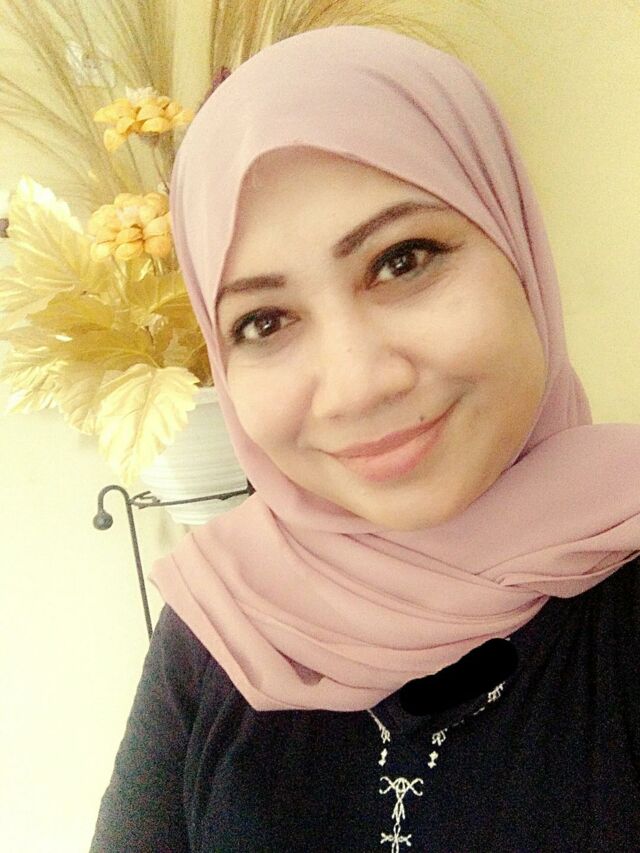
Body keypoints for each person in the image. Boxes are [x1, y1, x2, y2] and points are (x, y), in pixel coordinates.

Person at [90, 25, 640, 851]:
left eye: (403, 259)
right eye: (264, 320)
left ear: (516, 241)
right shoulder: (222, 625)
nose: (356, 385)